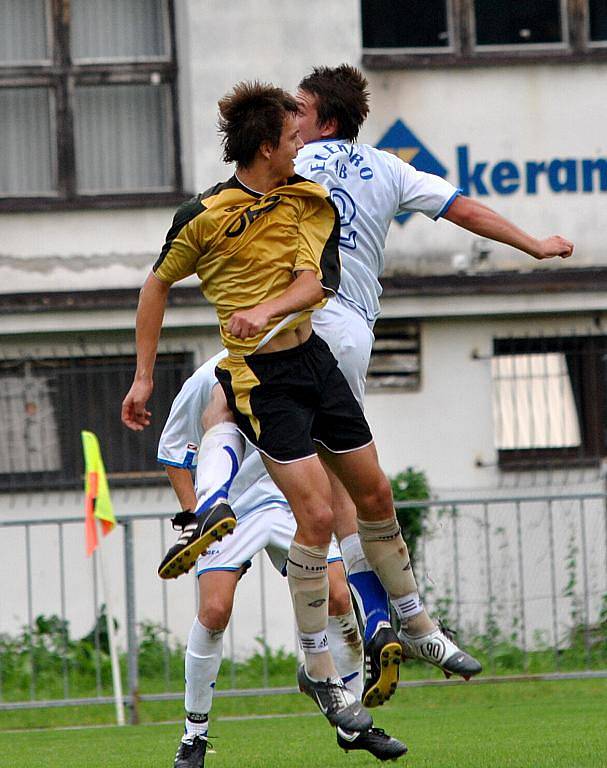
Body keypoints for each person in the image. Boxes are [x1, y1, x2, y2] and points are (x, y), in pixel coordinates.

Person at [151, 64, 574, 705]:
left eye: (299, 109)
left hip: (296, 332)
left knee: (229, 408)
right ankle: (391, 619)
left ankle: (218, 512)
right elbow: (464, 210)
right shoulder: (389, 168)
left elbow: (235, 197)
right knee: (356, 493)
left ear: (320, 121)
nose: (290, 122)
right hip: (345, 342)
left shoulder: (290, 166)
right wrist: (534, 245)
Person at [160, 353, 407, 767]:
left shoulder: (297, 360)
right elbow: (173, 451)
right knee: (215, 610)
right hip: (230, 508)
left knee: (339, 598)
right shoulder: (208, 377)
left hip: (287, 500)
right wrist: (196, 513)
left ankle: (351, 724)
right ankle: (194, 737)